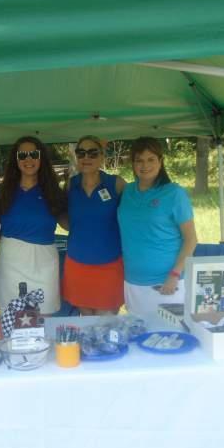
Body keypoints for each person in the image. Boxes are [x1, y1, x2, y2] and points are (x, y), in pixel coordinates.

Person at [118, 137, 198, 316]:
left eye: (151, 159)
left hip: (166, 282)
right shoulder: (127, 191)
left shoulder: (174, 193)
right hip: (133, 281)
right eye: (139, 160)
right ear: (133, 163)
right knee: (138, 330)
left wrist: (175, 274)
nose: (145, 165)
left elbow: (191, 239)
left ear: (160, 161)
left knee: (168, 332)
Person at [0, 136, 66, 313]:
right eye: (22, 155)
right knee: (9, 316)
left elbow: (69, 223)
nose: (28, 159)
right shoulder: (2, 191)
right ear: (16, 159)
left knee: (43, 313)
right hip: (10, 262)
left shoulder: (53, 191)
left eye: (33, 154)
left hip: (44, 262)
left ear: (41, 158)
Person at [61, 135, 126, 315]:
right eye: (81, 153)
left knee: (106, 323)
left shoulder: (117, 184)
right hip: (77, 265)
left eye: (92, 153)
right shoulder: (70, 185)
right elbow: (62, 215)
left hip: (109, 265)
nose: (86, 157)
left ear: (102, 156)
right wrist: (80, 229)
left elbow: (134, 215)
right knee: (87, 322)